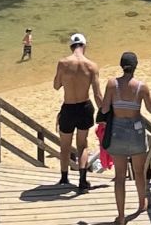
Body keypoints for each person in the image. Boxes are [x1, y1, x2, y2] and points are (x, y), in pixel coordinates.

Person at [99, 51, 151, 225]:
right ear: (135, 66)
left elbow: (105, 108)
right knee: (139, 172)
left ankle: (121, 217)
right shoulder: (141, 87)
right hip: (136, 132)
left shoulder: (112, 84)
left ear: (121, 66)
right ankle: (142, 204)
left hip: (117, 132)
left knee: (120, 176)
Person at [51, 32, 102, 191]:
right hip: (85, 107)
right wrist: (105, 113)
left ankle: (64, 178)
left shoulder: (63, 63)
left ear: (71, 47)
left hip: (68, 107)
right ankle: (82, 180)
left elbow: (56, 85)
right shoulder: (91, 66)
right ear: (84, 46)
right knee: (82, 145)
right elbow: (98, 94)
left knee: (65, 145)